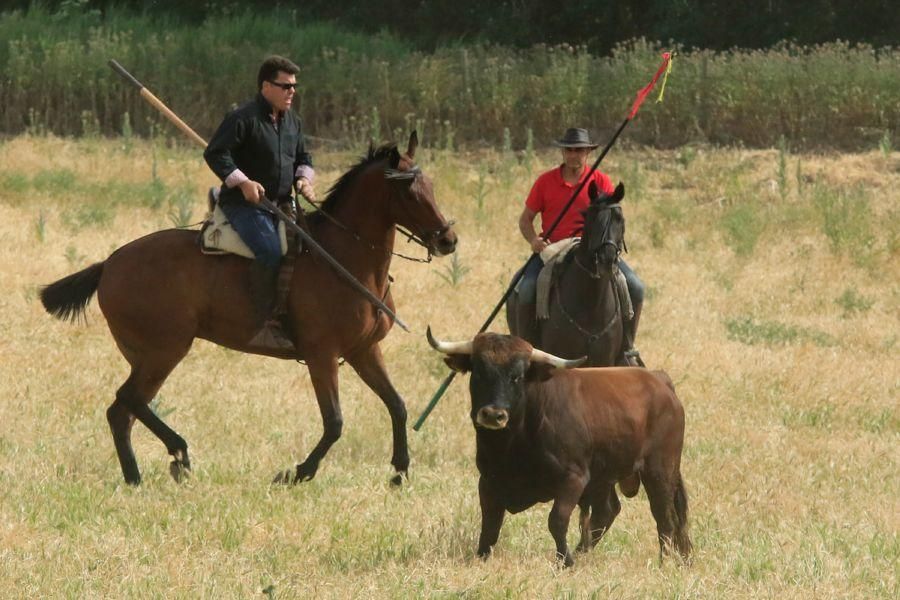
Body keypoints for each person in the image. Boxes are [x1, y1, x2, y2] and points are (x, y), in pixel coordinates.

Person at [204, 55, 316, 351]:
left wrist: (304, 179)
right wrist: (242, 182)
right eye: (286, 86)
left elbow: (304, 157)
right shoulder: (242, 118)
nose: (292, 92)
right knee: (269, 250)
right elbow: (215, 153)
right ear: (266, 86)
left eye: (294, 87)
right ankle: (261, 321)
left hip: (282, 203)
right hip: (243, 205)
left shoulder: (293, 121)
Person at [516, 127, 645, 363]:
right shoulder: (545, 182)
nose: (574, 155)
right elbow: (525, 220)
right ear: (563, 152)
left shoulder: (600, 180)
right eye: (570, 150)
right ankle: (526, 351)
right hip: (553, 248)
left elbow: (612, 217)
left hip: (593, 248)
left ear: (588, 153)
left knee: (636, 286)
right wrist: (534, 240)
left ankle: (626, 348)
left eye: (580, 150)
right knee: (525, 289)